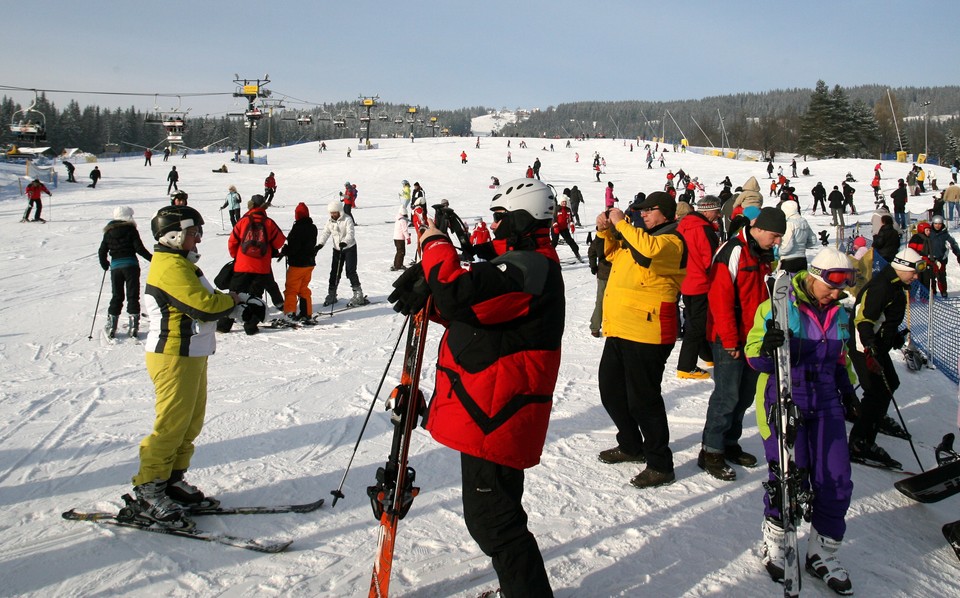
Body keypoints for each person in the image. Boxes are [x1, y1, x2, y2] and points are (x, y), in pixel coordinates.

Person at [388, 178, 563, 597]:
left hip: (499, 414)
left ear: (522, 218)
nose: (495, 226)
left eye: (501, 218)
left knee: (494, 523)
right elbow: (483, 314)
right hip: (493, 408)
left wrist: (433, 244)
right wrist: (432, 300)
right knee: (496, 517)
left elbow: (458, 293)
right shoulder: (525, 262)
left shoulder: (531, 265)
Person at [133, 205, 264, 527]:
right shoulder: (169, 266)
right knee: (171, 424)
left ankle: (172, 480)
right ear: (174, 235)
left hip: (191, 352)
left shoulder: (181, 264)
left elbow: (204, 299)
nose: (199, 239)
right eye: (194, 233)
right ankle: (149, 489)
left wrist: (238, 302)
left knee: (189, 423)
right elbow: (203, 307)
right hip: (173, 354)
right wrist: (233, 301)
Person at [745, 247, 858, 595]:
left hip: (826, 401)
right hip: (784, 397)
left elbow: (841, 358)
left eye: (843, 286)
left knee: (836, 477)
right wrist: (768, 347)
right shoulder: (779, 305)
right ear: (815, 275)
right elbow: (752, 354)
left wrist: (850, 392)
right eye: (832, 285)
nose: (836, 293)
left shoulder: (840, 313)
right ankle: (777, 541)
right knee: (789, 477)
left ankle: (822, 551)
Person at [595, 191, 686, 488]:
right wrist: (605, 230)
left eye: (650, 210)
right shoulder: (641, 237)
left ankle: (660, 463)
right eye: (641, 211)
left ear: (667, 213)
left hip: (649, 332)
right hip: (621, 328)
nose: (644, 214)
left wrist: (621, 223)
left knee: (644, 400)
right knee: (611, 392)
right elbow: (612, 254)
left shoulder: (672, 241)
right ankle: (631, 444)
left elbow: (647, 251)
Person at [701, 207, 786, 481]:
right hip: (731, 337)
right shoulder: (734, 250)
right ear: (758, 229)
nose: (777, 242)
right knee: (727, 395)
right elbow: (719, 297)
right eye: (774, 236)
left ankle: (729, 443)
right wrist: (729, 340)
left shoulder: (762, 254)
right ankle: (711, 450)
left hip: (754, 338)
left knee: (746, 393)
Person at [847, 247, 924, 470]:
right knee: (877, 391)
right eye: (915, 272)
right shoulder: (882, 287)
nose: (917, 276)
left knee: (891, 383)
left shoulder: (895, 285)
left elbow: (883, 320)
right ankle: (860, 442)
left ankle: (874, 420)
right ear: (902, 268)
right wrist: (870, 347)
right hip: (864, 346)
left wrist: (892, 338)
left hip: (875, 345)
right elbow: (863, 320)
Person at [219, 195, 286, 335]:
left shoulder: (243, 221)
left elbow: (232, 241)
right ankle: (250, 326)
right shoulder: (268, 222)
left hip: (242, 265)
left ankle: (224, 325)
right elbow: (279, 242)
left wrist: (236, 256)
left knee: (234, 295)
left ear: (250, 205)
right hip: (261, 267)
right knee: (255, 297)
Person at [676, 196, 721, 379]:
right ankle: (686, 366)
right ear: (708, 211)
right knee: (697, 323)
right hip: (700, 282)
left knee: (696, 319)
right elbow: (708, 259)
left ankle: (707, 355)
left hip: (685, 280)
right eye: (717, 211)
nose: (718, 215)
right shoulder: (704, 229)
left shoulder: (683, 224)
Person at [98, 206, 153, 337]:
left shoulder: (108, 232)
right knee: (132, 295)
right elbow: (139, 249)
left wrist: (105, 263)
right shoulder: (131, 230)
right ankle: (134, 326)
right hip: (131, 266)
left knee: (117, 295)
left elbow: (102, 251)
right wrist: (153, 259)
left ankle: (112, 326)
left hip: (116, 267)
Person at [316, 201, 368, 307]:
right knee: (335, 272)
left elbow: (351, 233)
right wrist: (320, 244)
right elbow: (326, 232)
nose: (333, 215)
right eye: (331, 213)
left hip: (349, 248)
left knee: (350, 271)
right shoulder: (330, 221)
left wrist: (345, 241)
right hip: (337, 249)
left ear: (340, 211)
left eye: (335, 212)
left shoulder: (347, 219)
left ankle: (358, 295)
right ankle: (332, 294)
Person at [277, 202, 318, 321]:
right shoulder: (313, 227)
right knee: (304, 288)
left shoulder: (298, 228)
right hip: (309, 263)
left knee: (291, 289)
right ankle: (307, 313)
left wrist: (286, 250)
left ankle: (289, 313)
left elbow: (295, 247)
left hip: (297, 264)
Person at [778, 200, 817, 273]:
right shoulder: (803, 221)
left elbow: (787, 246)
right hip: (802, 260)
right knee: (799, 283)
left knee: (786, 283)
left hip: (788, 261)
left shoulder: (789, 224)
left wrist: (778, 252)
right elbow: (813, 240)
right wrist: (801, 247)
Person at [928, 215, 960, 297]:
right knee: (930, 276)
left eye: (939, 224)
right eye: (935, 224)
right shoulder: (929, 233)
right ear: (933, 224)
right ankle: (932, 291)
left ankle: (943, 291)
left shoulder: (945, 235)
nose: (937, 226)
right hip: (930, 258)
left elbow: (953, 244)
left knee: (941, 276)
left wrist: (958, 254)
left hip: (941, 258)